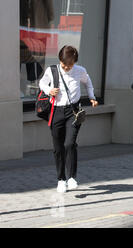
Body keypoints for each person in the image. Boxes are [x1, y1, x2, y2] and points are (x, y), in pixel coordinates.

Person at [39, 45, 98, 193]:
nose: (66, 68)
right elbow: (42, 83)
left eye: (69, 65)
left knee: (69, 143)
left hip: (73, 111)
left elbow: (88, 83)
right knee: (58, 147)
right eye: (64, 65)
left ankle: (72, 177)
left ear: (75, 62)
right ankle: (61, 179)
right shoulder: (52, 70)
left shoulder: (80, 71)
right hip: (56, 110)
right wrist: (49, 90)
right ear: (60, 60)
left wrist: (92, 97)